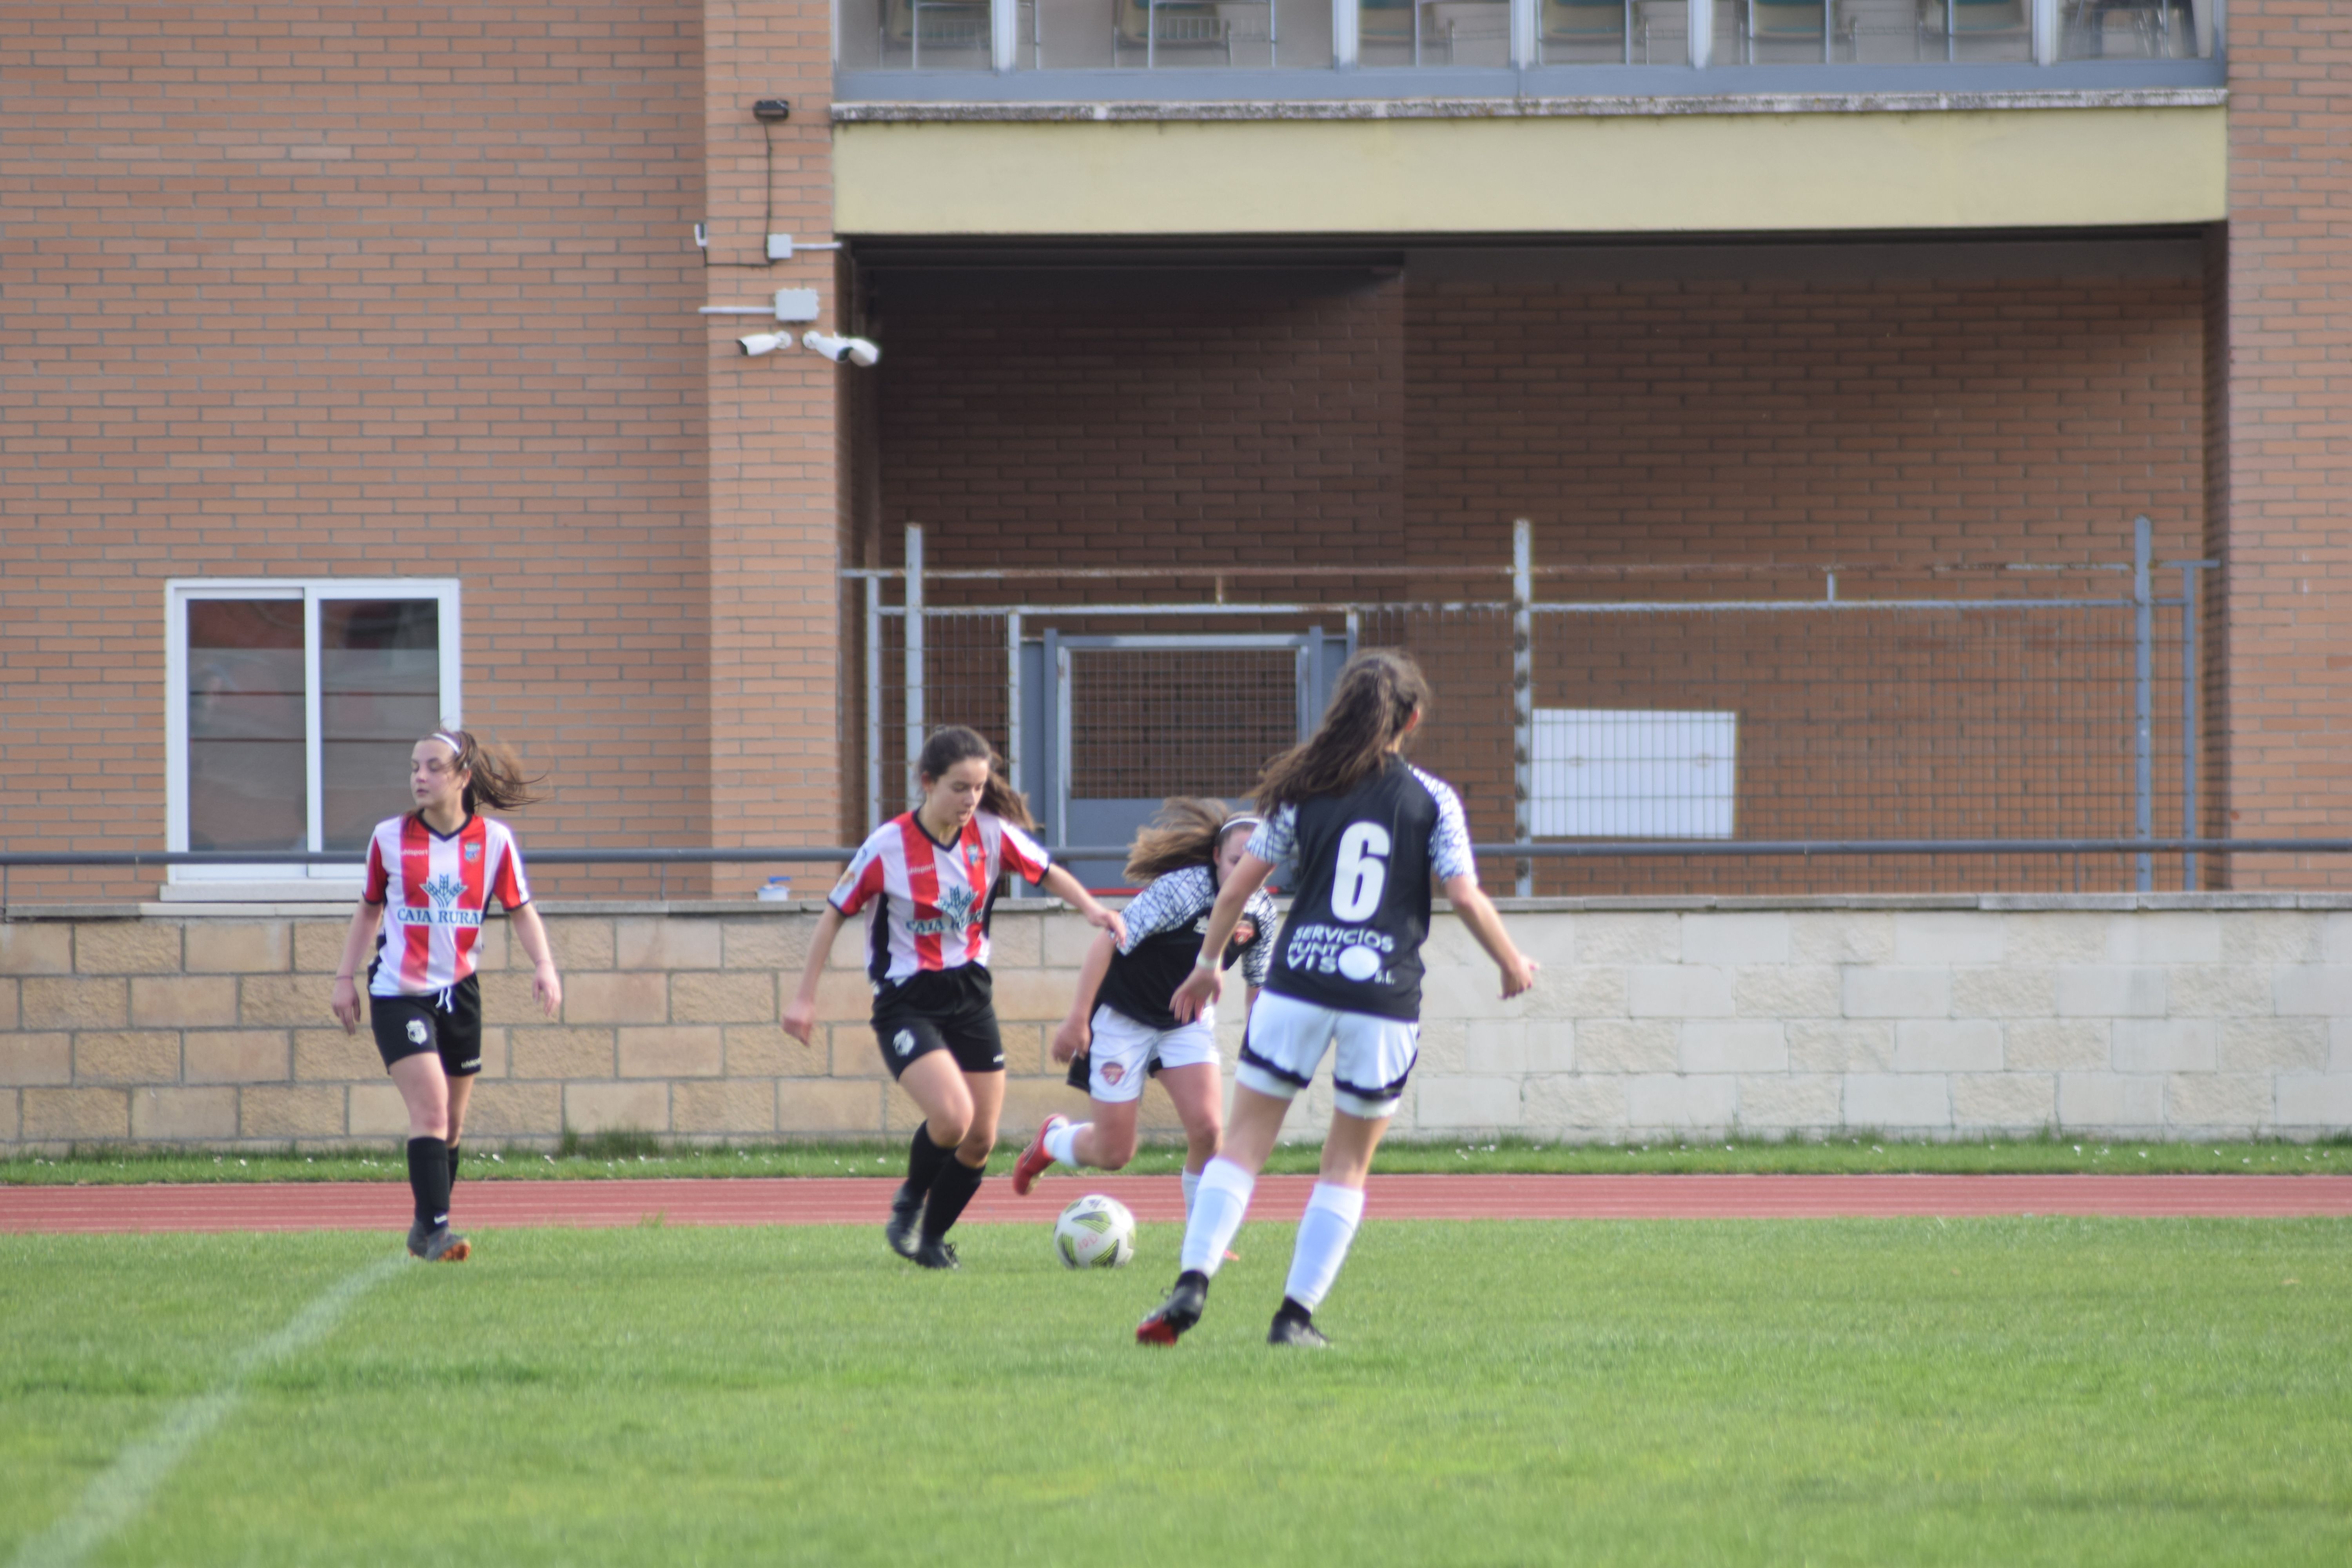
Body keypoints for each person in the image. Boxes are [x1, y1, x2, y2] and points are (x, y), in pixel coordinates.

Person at [1134, 651, 1539, 1349]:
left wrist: (1207, 966)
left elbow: (1236, 891)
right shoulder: (1433, 798)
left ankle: (1194, 1280)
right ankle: (1294, 1317)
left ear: (1340, 715)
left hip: (1296, 984)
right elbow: (1464, 894)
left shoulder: (1300, 793)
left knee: (1243, 1146)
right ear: (1411, 720)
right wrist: (1509, 962)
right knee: (1345, 1163)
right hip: (1382, 996)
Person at [782, 726, 1127, 1270]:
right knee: (952, 1118)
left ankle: (931, 1241)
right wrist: (804, 998)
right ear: (927, 783)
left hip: (969, 994)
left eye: (978, 788)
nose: (970, 800)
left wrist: (1093, 910)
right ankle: (908, 1203)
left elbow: (1048, 872)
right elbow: (831, 918)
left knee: (980, 1140)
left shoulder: (991, 835)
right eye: (959, 788)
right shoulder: (888, 846)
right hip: (906, 1001)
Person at [330, 728, 563, 1263]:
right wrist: (345, 979)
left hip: (460, 993)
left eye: (433, 767)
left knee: (453, 1125)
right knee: (431, 1110)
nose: (420, 777)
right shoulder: (388, 837)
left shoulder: (495, 841)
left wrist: (545, 966)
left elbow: (521, 909)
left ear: (463, 776)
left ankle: (424, 1225)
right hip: (399, 995)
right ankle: (437, 1233)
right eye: (414, 767)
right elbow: (369, 909)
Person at [1012, 799, 1278, 1223]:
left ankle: (1200, 1239)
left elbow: (1258, 985)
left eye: (1258, 862)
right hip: (1123, 1017)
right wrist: (1078, 1017)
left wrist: (1259, 1043)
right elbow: (1109, 940)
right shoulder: (1182, 890)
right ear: (1215, 857)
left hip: (1184, 1022)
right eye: (1235, 860)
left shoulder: (1263, 911)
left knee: (1209, 1132)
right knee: (1115, 1153)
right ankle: (1053, 1140)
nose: (1246, 870)